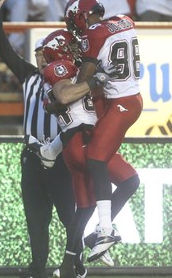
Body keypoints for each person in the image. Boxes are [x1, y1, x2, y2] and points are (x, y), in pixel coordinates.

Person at [0, 0, 80, 277]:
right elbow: (5, 50)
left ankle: (74, 264)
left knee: (69, 217)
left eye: (46, 54)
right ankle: (37, 268)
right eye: (38, 54)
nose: (40, 59)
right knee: (36, 219)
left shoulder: (73, 83)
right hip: (31, 158)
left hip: (63, 158)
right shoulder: (29, 76)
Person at [41, 28, 139, 277]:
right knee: (130, 180)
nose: (77, 48)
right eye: (71, 45)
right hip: (83, 142)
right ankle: (102, 232)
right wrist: (96, 80)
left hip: (73, 145)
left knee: (83, 209)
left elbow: (59, 102)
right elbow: (64, 96)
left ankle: (68, 265)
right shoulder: (60, 67)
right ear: (61, 49)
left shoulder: (69, 69)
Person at [64, 0, 143, 262]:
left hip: (120, 103)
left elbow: (85, 79)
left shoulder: (93, 35)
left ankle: (105, 231)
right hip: (125, 100)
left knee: (96, 159)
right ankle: (96, 235)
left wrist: (83, 65)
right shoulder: (125, 21)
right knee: (128, 179)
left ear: (82, 16)